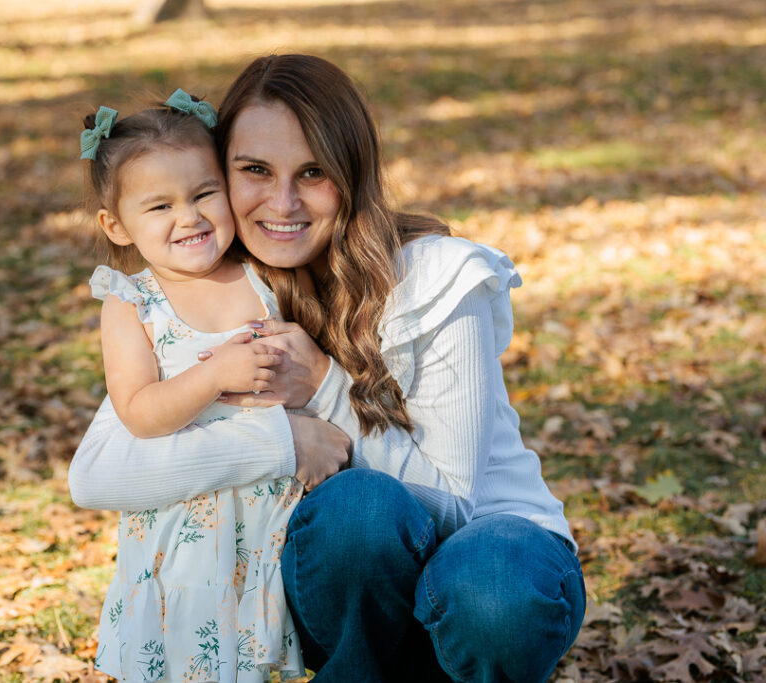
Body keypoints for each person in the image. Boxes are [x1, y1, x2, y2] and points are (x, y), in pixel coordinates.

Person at [69, 55, 585, 683]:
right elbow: (99, 471)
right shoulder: (226, 286)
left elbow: (451, 507)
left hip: (494, 549)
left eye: (312, 172)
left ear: (351, 173)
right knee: (356, 514)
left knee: (488, 584)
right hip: (352, 580)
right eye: (254, 170)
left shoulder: (441, 277)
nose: (281, 202)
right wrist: (280, 440)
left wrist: (321, 386)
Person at [79, 90, 306, 682]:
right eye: (159, 206)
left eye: (205, 193)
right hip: (184, 532)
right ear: (117, 225)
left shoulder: (265, 276)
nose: (190, 217)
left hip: (270, 517)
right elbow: (139, 413)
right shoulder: (134, 305)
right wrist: (213, 375)